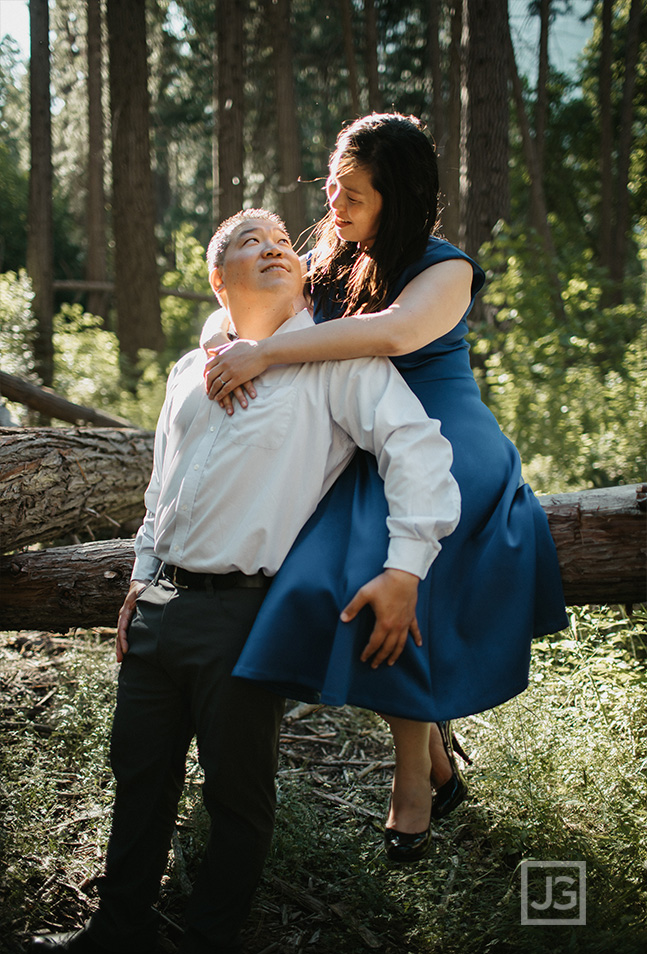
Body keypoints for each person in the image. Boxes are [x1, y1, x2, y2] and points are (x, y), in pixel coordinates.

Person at [29, 209, 461, 954]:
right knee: (139, 774)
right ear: (215, 276)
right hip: (158, 609)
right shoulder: (185, 374)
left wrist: (405, 568)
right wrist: (137, 579)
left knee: (236, 797)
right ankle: (116, 936)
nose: (272, 248)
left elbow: (415, 447)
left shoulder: (337, 361)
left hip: (243, 612)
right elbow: (163, 487)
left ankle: (208, 949)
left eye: (282, 242)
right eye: (248, 242)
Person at [204, 113, 569, 860]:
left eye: (354, 194)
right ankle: (436, 760)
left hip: (444, 438)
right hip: (360, 438)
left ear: (396, 198)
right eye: (331, 186)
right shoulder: (332, 257)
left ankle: (410, 781)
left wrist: (264, 352)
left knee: (386, 561)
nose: (334, 205)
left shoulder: (444, 268)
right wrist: (224, 341)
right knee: (318, 574)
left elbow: (392, 335)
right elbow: (252, 307)